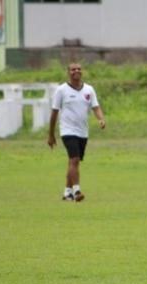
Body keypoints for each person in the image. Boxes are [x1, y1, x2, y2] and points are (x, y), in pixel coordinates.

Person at [48, 62, 106, 202]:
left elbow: (95, 107)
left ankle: (67, 193)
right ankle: (77, 191)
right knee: (74, 160)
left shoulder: (89, 90)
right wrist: (51, 134)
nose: (77, 71)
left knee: (73, 162)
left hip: (83, 131)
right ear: (68, 72)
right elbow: (54, 112)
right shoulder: (61, 90)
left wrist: (101, 119)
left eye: (79, 69)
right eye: (73, 69)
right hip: (67, 130)